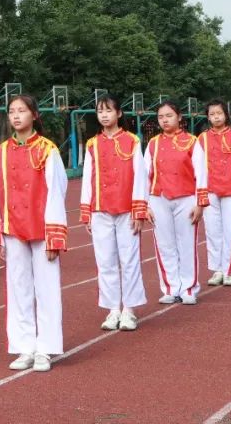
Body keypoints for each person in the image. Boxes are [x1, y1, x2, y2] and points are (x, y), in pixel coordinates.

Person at [0, 94, 68, 373]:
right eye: (12, 111)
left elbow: (57, 191)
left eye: (22, 110)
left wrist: (55, 233)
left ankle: (45, 348)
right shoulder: (2, 152)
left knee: (46, 289)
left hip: (42, 227)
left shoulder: (48, 149)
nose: (16, 116)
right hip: (12, 226)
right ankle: (24, 346)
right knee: (19, 289)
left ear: (34, 115)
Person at [79, 95, 147, 331]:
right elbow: (87, 179)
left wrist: (139, 211)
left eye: (108, 110)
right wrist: (86, 211)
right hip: (100, 209)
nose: (104, 115)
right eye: (100, 111)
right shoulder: (92, 144)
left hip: (127, 209)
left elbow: (140, 176)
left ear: (118, 114)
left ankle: (129, 309)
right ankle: (112, 309)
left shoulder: (132, 141)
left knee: (129, 260)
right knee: (105, 261)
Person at [142, 101, 207, 305]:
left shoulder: (192, 142)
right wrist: (145, 204)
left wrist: (200, 203)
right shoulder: (153, 144)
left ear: (179, 117)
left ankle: (188, 288)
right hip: (159, 197)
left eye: (169, 115)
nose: (165, 120)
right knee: (164, 245)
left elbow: (201, 173)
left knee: (187, 243)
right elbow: (145, 175)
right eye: (161, 117)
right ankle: (170, 287)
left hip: (186, 197)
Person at [198, 99, 231, 287]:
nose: (216, 117)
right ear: (208, 117)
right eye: (212, 114)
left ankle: (229, 270)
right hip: (210, 190)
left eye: (219, 113)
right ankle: (217, 269)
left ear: (226, 115)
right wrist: (201, 191)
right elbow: (198, 167)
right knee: (212, 232)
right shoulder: (202, 138)